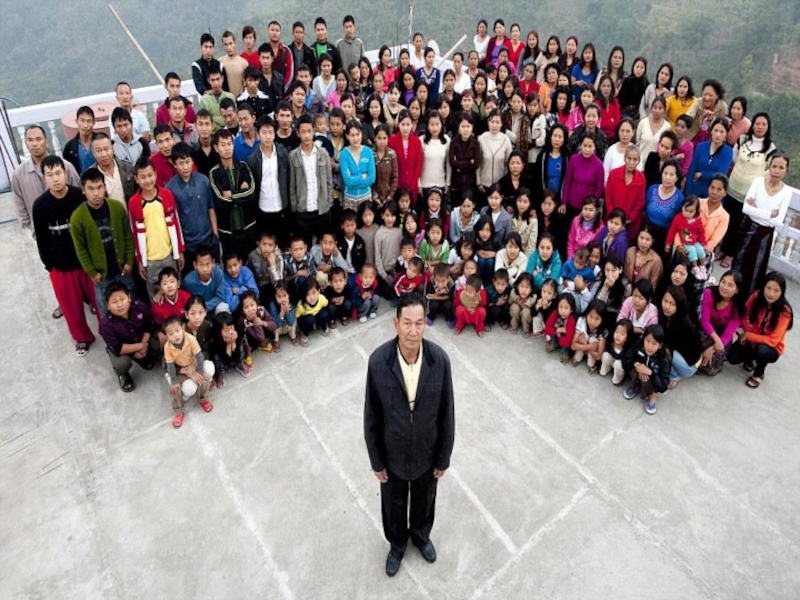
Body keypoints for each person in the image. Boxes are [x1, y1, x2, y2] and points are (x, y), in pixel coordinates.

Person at [33, 156, 100, 356]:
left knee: (100, 301)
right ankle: (82, 337)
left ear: (65, 173)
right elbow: (41, 239)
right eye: (50, 175)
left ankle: (109, 333)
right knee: (71, 307)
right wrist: (49, 265)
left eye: (58, 173)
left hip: (86, 263)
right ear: (44, 178)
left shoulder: (79, 196)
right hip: (60, 267)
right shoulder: (40, 205)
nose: (55, 179)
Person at [70, 168, 136, 320]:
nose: (96, 193)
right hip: (102, 276)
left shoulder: (117, 207)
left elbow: (127, 235)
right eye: (91, 189)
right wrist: (92, 272)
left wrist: (129, 261)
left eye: (99, 187)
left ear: (105, 187)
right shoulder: (77, 217)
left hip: (123, 269)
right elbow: (81, 249)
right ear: (83, 190)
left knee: (132, 304)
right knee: (107, 313)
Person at [718, 113, 776, 268]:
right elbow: (734, 158)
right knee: (727, 221)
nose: (760, 127)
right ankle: (722, 249)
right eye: (757, 123)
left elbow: (769, 171)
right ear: (753, 125)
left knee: (740, 226)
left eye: (764, 124)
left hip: (749, 194)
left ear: (768, 127)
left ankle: (731, 254)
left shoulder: (770, 148)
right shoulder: (742, 140)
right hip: (732, 187)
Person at [733, 153, 793, 297]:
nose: (777, 171)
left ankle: (748, 301)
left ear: (786, 170)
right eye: (774, 166)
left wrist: (756, 209)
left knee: (755, 269)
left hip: (764, 234)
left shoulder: (786, 192)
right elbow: (746, 209)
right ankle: (731, 295)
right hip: (747, 227)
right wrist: (769, 213)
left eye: (781, 168)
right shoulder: (758, 182)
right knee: (738, 262)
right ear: (769, 167)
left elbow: (777, 221)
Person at [729, 272, 793, 388]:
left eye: (776, 290)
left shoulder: (785, 311)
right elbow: (743, 316)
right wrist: (748, 332)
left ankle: (759, 373)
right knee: (732, 357)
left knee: (762, 350)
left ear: (782, 292)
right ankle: (750, 359)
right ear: (763, 287)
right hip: (752, 338)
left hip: (770, 347)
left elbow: (773, 340)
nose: (771, 294)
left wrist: (749, 335)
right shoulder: (756, 296)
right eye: (768, 288)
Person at [100, 282, 160, 392]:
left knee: (157, 345)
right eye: (114, 302)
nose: (120, 305)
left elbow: (149, 326)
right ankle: (123, 375)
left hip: (142, 340)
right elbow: (118, 347)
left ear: (129, 297)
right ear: (108, 305)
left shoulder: (140, 307)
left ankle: (143, 358)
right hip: (124, 349)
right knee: (121, 364)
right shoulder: (106, 325)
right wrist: (141, 347)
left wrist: (144, 344)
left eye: (122, 299)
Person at [166, 143, 219, 264]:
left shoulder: (203, 181)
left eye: (188, 161)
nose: (185, 167)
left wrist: (215, 234)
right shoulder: (170, 188)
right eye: (181, 163)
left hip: (208, 238)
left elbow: (210, 208)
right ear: (174, 164)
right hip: (187, 243)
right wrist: (179, 247)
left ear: (192, 161)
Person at [208, 129, 257, 257]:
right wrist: (241, 192)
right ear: (216, 148)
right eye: (223, 145)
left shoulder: (243, 167)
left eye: (229, 144)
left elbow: (251, 193)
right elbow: (220, 201)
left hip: (248, 226)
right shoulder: (214, 173)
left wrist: (231, 195)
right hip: (227, 231)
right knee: (231, 263)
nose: (227, 148)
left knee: (250, 262)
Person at [162, 316, 215, 429]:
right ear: (167, 336)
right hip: (180, 370)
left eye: (177, 331)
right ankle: (179, 412)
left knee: (202, 378)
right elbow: (170, 366)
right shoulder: (167, 347)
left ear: (183, 328)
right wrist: (174, 382)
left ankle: (203, 399)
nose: (175, 335)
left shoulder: (190, 338)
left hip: (193, 365)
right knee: (175, 389)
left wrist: (199, 372)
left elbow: (199, 357)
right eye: (171, 334)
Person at [290, 114, 335, 246]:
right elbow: (292, 185)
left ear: (314, 131)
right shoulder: (293, 156)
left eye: (309, 131)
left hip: (322, 208)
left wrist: (329, 201)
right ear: (298, 133)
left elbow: (329, 180)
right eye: (303, 132)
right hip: (303, 210)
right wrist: (295, 206)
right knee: (305, 245)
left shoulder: (323, 154)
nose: (306, 135)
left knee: (323, 245)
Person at [246, 116, 291, 247]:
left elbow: (288, 179)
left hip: (282, 208)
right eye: (264, 132)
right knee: (266, 246)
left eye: (271, 132)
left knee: (283, 245)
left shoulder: (283, 154)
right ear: (258, 134)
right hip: (263, 210)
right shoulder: (252, 160)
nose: (268, 136)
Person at [699, 270, 744, 376]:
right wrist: (716, 340)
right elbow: (705, 321)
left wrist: (712, 349)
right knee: (697, 348)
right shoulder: (709, 293)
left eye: (730, 285)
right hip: (706, 329)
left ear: (737, 290)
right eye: (723, 282)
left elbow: (728, 334)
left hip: (722, 334)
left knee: (711, 368)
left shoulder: (738, 308)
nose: (725, 287)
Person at [622, 324, 670, 415]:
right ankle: (636, 386)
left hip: (652, 381)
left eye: (654, 343)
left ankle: (651, 395)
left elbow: (664, 386)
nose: (649, 346)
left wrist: (651, 373)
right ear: (643, 339)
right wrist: (635, 364)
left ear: (660, 345)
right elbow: (625, 358)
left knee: (647, 378)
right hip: (638, 372)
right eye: (647, 341)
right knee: (634, 372)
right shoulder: (638, 345)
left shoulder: (663, 359)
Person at [685, 117, 734, 198]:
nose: (718, 135)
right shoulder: (701, 146)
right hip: (694, 190)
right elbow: (692, 169)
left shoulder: (728, 152)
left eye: (721, 132)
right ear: (711, 131)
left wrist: (702, 175)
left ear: (726, 134)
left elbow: (720, 173)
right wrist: (688, 192)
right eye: (716, 130)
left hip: (712, 194)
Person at [199, 67, 237, 132]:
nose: (216, 83)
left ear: (222, 79)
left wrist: (213, 118)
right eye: (213, 80)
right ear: (208, 80)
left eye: (218, 79)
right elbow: (207, 121)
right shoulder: (204, 100)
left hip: (230, 133)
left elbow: (234, 118)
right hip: (213, 134)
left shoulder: (230, 96)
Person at [63, 106, 95, 175]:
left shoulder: (101, 141)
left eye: (89, 121)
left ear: (94, 123)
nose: (85, 125)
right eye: (82, 121)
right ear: (77, 121)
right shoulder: (70, 147)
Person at [268, 281, 298, 350]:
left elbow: (291, 322)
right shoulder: (272, 305)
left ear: (289, 295)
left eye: (284, 295)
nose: (282, 299)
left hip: (288, 327)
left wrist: (287, 311)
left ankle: (293, 336)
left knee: (294, 319)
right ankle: (276, 340)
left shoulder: (292, 304)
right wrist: (282, 312)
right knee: (273, 323)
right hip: (278, 328)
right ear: (275, 296)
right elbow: (275, 324)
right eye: (279, 297)